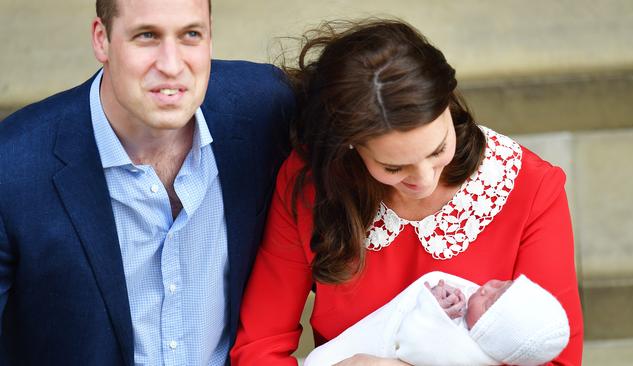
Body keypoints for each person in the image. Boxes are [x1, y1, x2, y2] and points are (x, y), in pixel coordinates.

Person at [230, 18, 583, 366]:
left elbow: (556, 360)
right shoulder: (310, 185)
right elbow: (260, 347)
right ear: (349, 147)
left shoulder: (530, 187)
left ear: (448, 104)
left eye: (437, 149)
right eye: (393, 168)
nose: (425, 179)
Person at [0, 0, 293, 364]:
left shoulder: (266, 108)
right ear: (101, 40)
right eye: (147, 36)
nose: (171, 65)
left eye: (190, 35)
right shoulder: (13, 167)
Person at [304, 272, 570, 366]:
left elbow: (415, 344)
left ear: (488, 335)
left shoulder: (464, 353)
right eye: (503, 284)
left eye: (490, 302)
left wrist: (433, 309)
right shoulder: (471, 321)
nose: (487, 286)